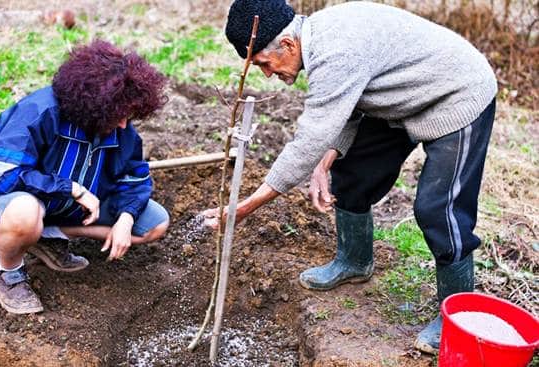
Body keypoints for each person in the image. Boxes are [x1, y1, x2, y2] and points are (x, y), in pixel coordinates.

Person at [205, 0, 497, 354]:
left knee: (439, 210)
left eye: (264, 64)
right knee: (353, 175)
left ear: (287, 44)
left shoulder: (334, 51)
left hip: (456, 96)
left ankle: (458, 315)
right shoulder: (318, 40)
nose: (267, 74)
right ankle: (354, 261)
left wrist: (246, 206)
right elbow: (349, 106)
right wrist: (327, 160)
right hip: (401, 95)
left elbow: (310, 138)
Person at [0, 40, 170, 315]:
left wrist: (126, 217)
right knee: (25, 215)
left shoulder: (121, 131)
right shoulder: (39, 112)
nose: (124, 124)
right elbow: (1, 174)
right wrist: (71, 188)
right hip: (11, 205)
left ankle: (47, 238)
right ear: (96, 104)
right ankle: (9, 272)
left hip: (65, 211)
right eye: (120, 115)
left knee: (154, 224)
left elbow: (135, 177)